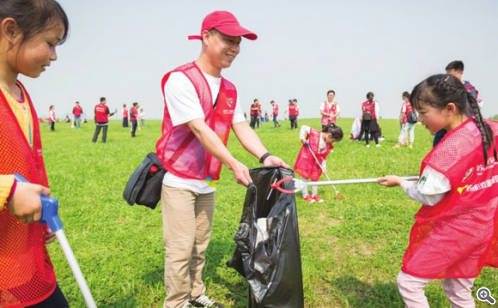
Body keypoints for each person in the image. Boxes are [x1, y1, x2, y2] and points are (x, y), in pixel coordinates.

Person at [155, 11, 289, 308]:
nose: (235, 48)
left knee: (199, 244)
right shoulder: (181, 79)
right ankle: (175, 303)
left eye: (238, 43)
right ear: (205, 37)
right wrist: (233, 162)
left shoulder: (229, 89)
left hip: (207, 181)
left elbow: (240, 126)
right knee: (180, 249)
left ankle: (194, 293)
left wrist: (264, 155)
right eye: (229, 40)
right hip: (179, 180)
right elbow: (199, 129)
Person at [378, 74, 498, 307]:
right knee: (458, 289)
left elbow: (427, 194)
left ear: (449, 108)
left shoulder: (451, 149)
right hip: (484, 225)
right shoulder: (490, 129)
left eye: (423, 113)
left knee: (409, 282)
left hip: (457, 229)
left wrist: (400, 182)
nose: (420, 119)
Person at [0, 1, 70, 306]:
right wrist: (9, 190)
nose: (54, 56)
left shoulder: (19, 93)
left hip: (22, 261)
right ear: (11, 30)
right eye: (50, 43)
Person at [433, 60, 481, 146]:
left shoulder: (469, 90)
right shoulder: (447, 88)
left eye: (450, 74)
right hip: (446, 124)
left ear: (460, 72)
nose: (448, 77)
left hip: (462, 127)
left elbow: (470, 109)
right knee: (438, 145)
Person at [294, 124, 343, 203]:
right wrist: (302, 138)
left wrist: (324, 167)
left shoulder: (327, 145)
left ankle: (314, 195)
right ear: (329, 135)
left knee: (315, 177)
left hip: (316, 161)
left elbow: (323, 157)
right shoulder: (315, 133)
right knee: (305, 177)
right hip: (307, 158)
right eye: (333, 141)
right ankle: (305, 195)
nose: (332, 143)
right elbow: (303, 127)